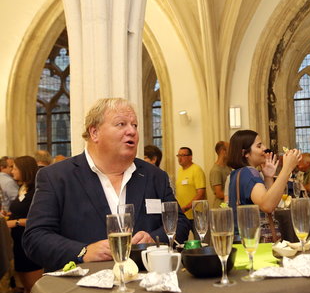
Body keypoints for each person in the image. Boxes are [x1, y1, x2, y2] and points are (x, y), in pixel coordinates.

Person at [23, 98, 190, 272]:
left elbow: (181, 222)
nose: (131, 131)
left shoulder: (155, 176)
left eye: (134, 125)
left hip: (146, 286)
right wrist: (83, 252)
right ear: (94, 133)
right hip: (82, 289)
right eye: (121, 124)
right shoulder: (56, 177)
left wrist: (154, 238)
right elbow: (35, 238)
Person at [227, 130, 301, 240]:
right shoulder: (248, 172)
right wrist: (287, 169)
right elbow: (267, 206)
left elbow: (270, 202)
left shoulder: (238, 173)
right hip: (252, 243)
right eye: (259, 146)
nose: (265, 148)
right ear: (245, 153)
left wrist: (268, 178)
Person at [5, 156, 42, 293]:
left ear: (24, 170)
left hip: (30, 241)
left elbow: (37, 218)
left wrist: (15, 222)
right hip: (18, 243)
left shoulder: (36, 191)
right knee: (27, 287)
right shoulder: (23, 187)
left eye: (15, 168)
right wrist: (8, 214)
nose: (12, 171)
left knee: (35, 289)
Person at [175, 147, 206, 223]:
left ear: (190, 157)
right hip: (183, 214)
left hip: (196, 213)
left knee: (200, 234)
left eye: (183, 155)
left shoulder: (196, 170)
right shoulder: (180, 171)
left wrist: (187, 207)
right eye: (178, 155)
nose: (180, 158)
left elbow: (201, 193)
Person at [209, 141, 231, 208]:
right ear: (223, 151)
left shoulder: (228, 167)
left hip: (227, 205)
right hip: (221, 206)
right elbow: (219, 194)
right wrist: (236, 194)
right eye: (229, 149)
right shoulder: (216, 170)